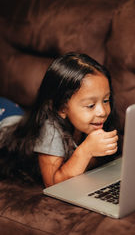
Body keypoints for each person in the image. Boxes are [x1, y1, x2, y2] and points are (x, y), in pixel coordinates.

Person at [0, 52, 120, 187]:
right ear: (62, 108)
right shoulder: (51, 128)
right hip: (3, 122)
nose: (102, 112)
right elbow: (52, 184)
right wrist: (86, 151)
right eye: (90, 105)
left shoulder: (94, 122)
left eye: (106, 100)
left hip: (16, 115)